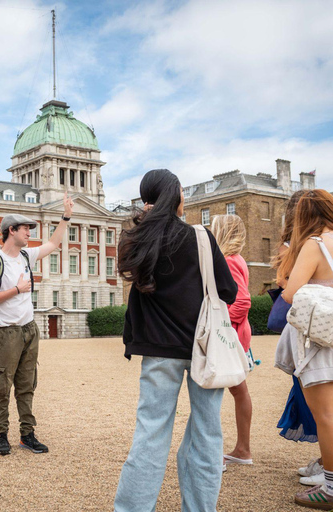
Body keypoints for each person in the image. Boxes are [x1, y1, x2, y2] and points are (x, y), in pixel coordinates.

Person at [114, 169, 237, 512]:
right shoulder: (200, 237)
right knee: (207, 434)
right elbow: (228, 291)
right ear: (176, 194)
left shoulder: (136, 239)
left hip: (158, 350)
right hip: (204, 348)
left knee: (150, 434)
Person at [0, 192, 74, 456]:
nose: (30, 233)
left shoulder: (26, 256)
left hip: (29, 329)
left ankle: (27, 434)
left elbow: (53, 243)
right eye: (25, 229)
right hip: (5, 332)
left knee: (27, 384)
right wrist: (17, 290)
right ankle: (1, 435)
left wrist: (65, 217)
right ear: (11, 231)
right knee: (2, 386)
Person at [275, 189, 333, 509]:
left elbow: (290, 293)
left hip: (321, 340)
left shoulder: (315, 243)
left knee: (325, 415)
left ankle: (331, 488)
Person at [211, 214, 253, 468]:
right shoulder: (237, 259)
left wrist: (221, 323)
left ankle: (221, 454)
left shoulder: (228, 260)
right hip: (237, 333)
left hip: (230, 335)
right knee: (239, 390)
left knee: (213, 390)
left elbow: (243, 302)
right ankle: (242, 449)